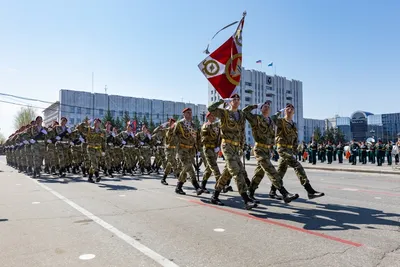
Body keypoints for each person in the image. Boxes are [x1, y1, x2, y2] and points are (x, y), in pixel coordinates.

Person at [207, 94, 257, 210]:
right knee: (236, 172)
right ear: (230, 101)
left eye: (238, 99)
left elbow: (242, 131)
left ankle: (215, 195)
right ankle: (246, 199)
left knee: (227, 173)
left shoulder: (241, 114)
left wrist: (242, 145)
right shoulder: (224, 113)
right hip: (227, 146)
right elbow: (211, 109)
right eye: (233, 99)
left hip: (236, 148)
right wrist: (221, 100)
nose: (235, 101)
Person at [243, 101, 299, 203]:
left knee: (259, 173)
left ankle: (250, 192)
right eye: (264, 106)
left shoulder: (271, 120)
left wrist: (280, 112)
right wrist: (255, 106)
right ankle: (284, 193)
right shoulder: (256, 118)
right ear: (261, 108)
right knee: (270, 169)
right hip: (259, 149)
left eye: (268, 106)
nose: (267, 107)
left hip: (267, 150)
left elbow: (275, 119)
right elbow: (244, 112)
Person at [271, 103, 324, 199]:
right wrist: (280, 111)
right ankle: (309, 190)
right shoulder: (281, 121)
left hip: (289, 149)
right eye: (288, 108)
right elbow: (272, 118)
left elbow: (295, 139)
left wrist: (294, 151)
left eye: (291, 108)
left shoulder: (294, 124)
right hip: (282, 148)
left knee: (281, 171)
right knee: (297, 165)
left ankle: (272, 191)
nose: (290, 109)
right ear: (285, 110)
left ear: (294, 111)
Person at [173, 107, 203, 195]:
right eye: (188, 113)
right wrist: (176, 148)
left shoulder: (193, 125)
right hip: (182, 149)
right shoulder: (179, 124)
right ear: (184, 114)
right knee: (188, 166)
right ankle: (196, 186)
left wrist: (198, 149)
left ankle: (179, 187)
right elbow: (174, 136)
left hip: (191, 150)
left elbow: (197, 138)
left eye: (190, 112)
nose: (190, 114)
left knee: (189, 168)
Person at [200, 112, 221, 193]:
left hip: (215, 149)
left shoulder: (217, 127)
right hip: (208, 148)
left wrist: (218, 146)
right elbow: (204, 137)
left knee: (209, 168)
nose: (213, 117)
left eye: (214, 116)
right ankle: (221, 184)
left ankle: (203, 185)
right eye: (212, 116)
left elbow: (219, 137)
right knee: (214, 167)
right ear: (208, 117)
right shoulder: (206, 125)